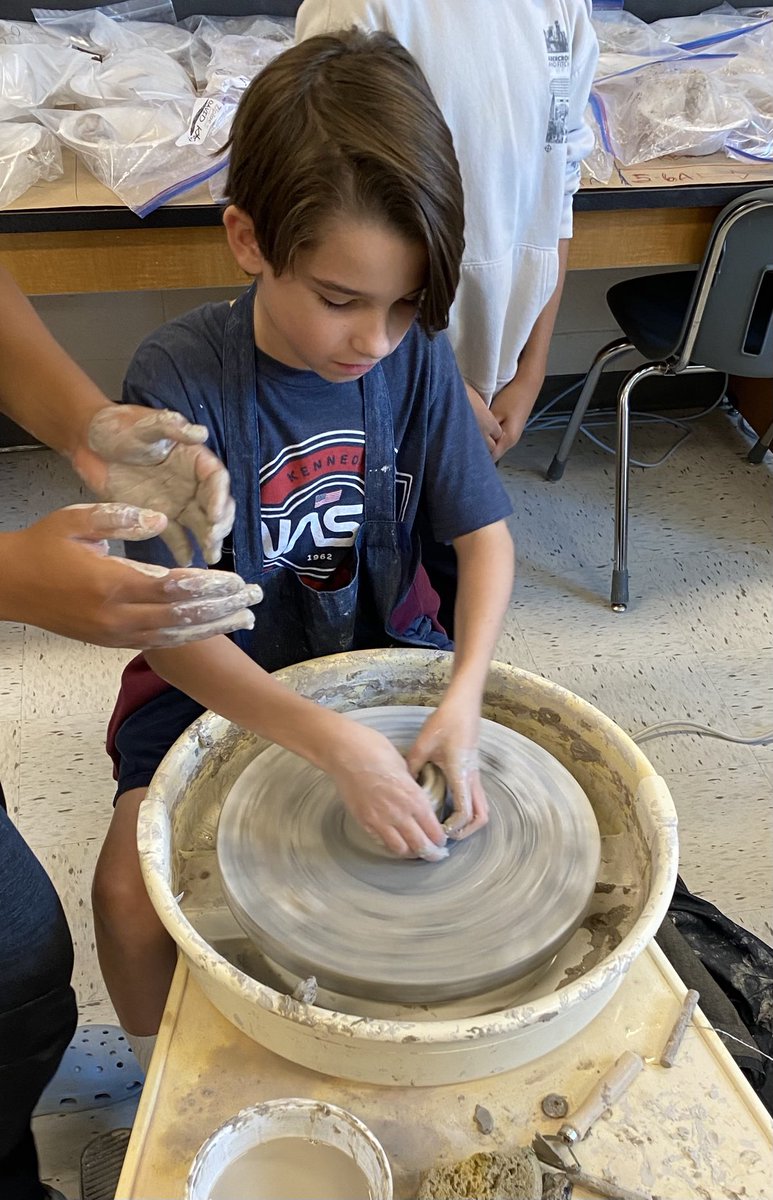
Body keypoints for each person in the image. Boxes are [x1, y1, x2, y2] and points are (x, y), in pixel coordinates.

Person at [92, 29, 515, 1061]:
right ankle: (163, 1088)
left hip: (383, 657)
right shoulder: (172, 378)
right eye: (339, 300)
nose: (372, 338)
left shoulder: (411, 359)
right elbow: (170, 628)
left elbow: (487, 540)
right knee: (127, 897)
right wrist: (326, 744)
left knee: (483, 863)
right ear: (248, 239)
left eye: (404, 304)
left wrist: (461, 695)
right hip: (216, 679)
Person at [0, 264, 261, 1200]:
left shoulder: (422, 367)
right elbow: (181, 655)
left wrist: (92, 427)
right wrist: (13, 581)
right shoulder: (189, 359)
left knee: (20, 968)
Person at [295, 0, 599, 461]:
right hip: (390, 360)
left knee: (458, 513)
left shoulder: (563, 7)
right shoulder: (357, 9)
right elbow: (334, 226)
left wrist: (533, 368)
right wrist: (441, 383)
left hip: (501, 360)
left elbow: (559, 189)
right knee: (377, 508)